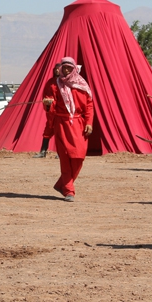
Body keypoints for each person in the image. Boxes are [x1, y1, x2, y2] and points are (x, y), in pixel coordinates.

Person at [41, 58, 93, 202]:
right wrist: (48, 103)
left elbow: (89, 105)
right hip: (62, 123)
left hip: (79, 124)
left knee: (79, 156)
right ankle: (69, 190)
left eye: (69, 68)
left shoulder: (81, 85)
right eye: (64, 67)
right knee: (65, 157)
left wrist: (89, 122)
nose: (66, 70)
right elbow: (50, 103)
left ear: (74, 68)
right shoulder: (53, 84)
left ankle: (61, 184)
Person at [34, 64, 61, 158]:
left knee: (60, 132)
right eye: (56, 69)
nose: (57, 71)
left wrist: (56, 102)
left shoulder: (64, 82)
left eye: (59, 69)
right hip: (51, 112)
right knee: (47, 131)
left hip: (61, 112)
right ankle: (43, 151)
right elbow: (46, 95)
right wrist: (47, 101)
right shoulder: (50, 82)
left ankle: (60, 152)